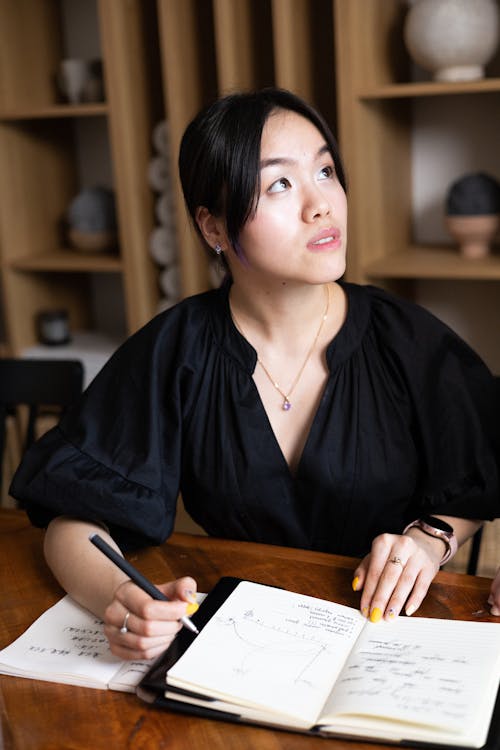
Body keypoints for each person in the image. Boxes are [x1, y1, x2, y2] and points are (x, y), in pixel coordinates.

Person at [10, 88, 499, 661]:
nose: (322, 205)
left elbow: (478, 469)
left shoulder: (406, 338)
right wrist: (122, 599)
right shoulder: (175, 349)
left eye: (325, 170)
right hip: (242, 646)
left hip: (389, 641)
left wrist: (430, 538)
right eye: (280, 184)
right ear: (212, 226)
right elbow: (73, 523)